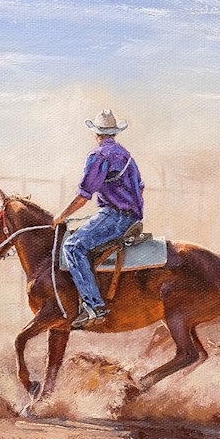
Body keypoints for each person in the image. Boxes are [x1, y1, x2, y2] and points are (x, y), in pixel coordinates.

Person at [53, 111, 145, 329]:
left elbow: (83, 196)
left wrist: (61, 216)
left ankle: (94, 306)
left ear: (96, 134)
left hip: (114, 216)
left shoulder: (99, 156)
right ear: (114, 133)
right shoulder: (126, 155)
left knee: (73, 246)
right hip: (131, 216)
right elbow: (140, 188)